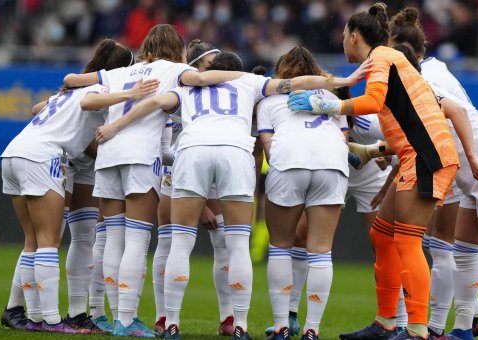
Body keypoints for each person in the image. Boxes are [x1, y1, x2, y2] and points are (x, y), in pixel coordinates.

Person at [95, 51, 370, 340]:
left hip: (193, 151)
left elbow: (154, 102)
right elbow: (297, 83)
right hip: (236, 152)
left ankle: (172, 322)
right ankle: (240, 324)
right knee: (239, 245)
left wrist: (115, 126)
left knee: (180, 241)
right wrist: (342, 80)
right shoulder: (251, 82)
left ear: (212, 69)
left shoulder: (188, 88)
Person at [62, 24, 254, 338]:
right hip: (140, 156)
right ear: (176, 48)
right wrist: (250, 79)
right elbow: (203, 79)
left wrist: (124, 95)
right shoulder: (175, 70)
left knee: (112, 239)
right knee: (136, 241)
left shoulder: (121, 72)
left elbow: (73, 85)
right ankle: (126, 319)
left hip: (108, 154)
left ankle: (110, 317)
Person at [288, 3, 460, 339]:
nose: (341, 42)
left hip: (427, 158)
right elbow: (411, 124)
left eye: (342, 36)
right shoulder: (388, 60)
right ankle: (386, 323)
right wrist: (370, 150)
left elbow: (373, 102)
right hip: (420, 153)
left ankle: (417, 330)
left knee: (407, 241)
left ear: (354, 36)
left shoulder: (382, 57)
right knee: (382, 234)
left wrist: (327, 105)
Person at [0, 38, 155, 334]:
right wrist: (131, 93)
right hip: (45, 157)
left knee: (36, 239)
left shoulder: (72, 90)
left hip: (17, 153)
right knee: (48, 240)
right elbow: (88, 102)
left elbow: (37, 107)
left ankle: (36, 315)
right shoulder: (101, 89)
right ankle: (50, 319)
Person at [389, 8, 478, 340]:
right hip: (470, 171)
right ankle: (463, 327)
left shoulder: (423, 80)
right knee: (463, 252)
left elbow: (458, 112)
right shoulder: (431, 70)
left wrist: (474, 157)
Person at [257, 47, 351, 340]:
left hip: (289, 162)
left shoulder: (270, 100)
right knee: (321, 252)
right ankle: (312, 329)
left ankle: (282, 325)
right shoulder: (333, 99)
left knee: (281, 246)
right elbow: (344, 140)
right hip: (332, 164)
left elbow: (270, 150)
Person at [152, 39, 235, 337]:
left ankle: (228, 317)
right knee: (169, 243)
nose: (217, 70)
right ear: (196, 67)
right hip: (178, 175)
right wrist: (198, 202)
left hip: (213, 175)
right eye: (211, 65)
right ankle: (164, 317)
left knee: (224, 244)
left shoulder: (227, 95)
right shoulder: (180, 95)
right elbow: (165, 147)